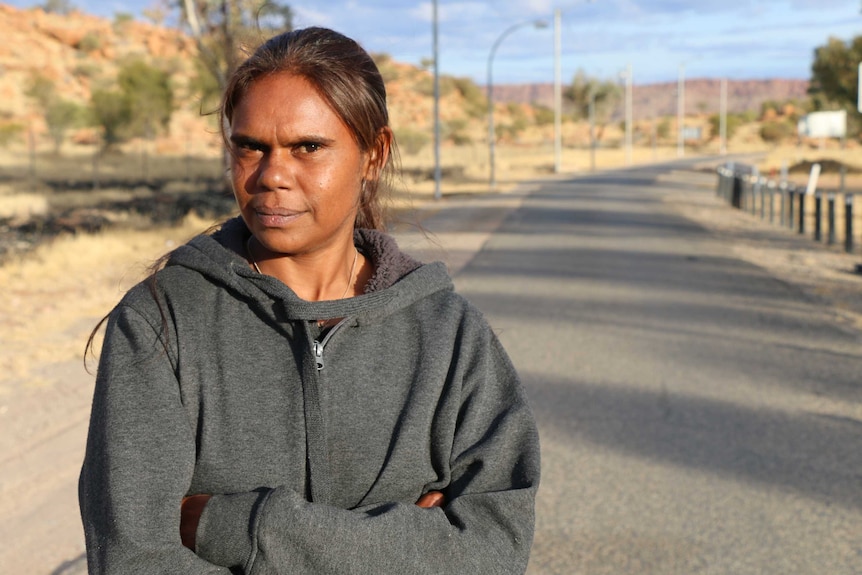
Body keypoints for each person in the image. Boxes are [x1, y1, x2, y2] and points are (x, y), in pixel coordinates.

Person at [79, 26, 540, 574]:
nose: (272, 175)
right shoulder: (162, 321)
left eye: (308, 147)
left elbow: (494, 547)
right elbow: (134, 558)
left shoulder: (450, 336)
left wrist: (240, 528)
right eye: (250, 146)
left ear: (374, 153)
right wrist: (405, 548)